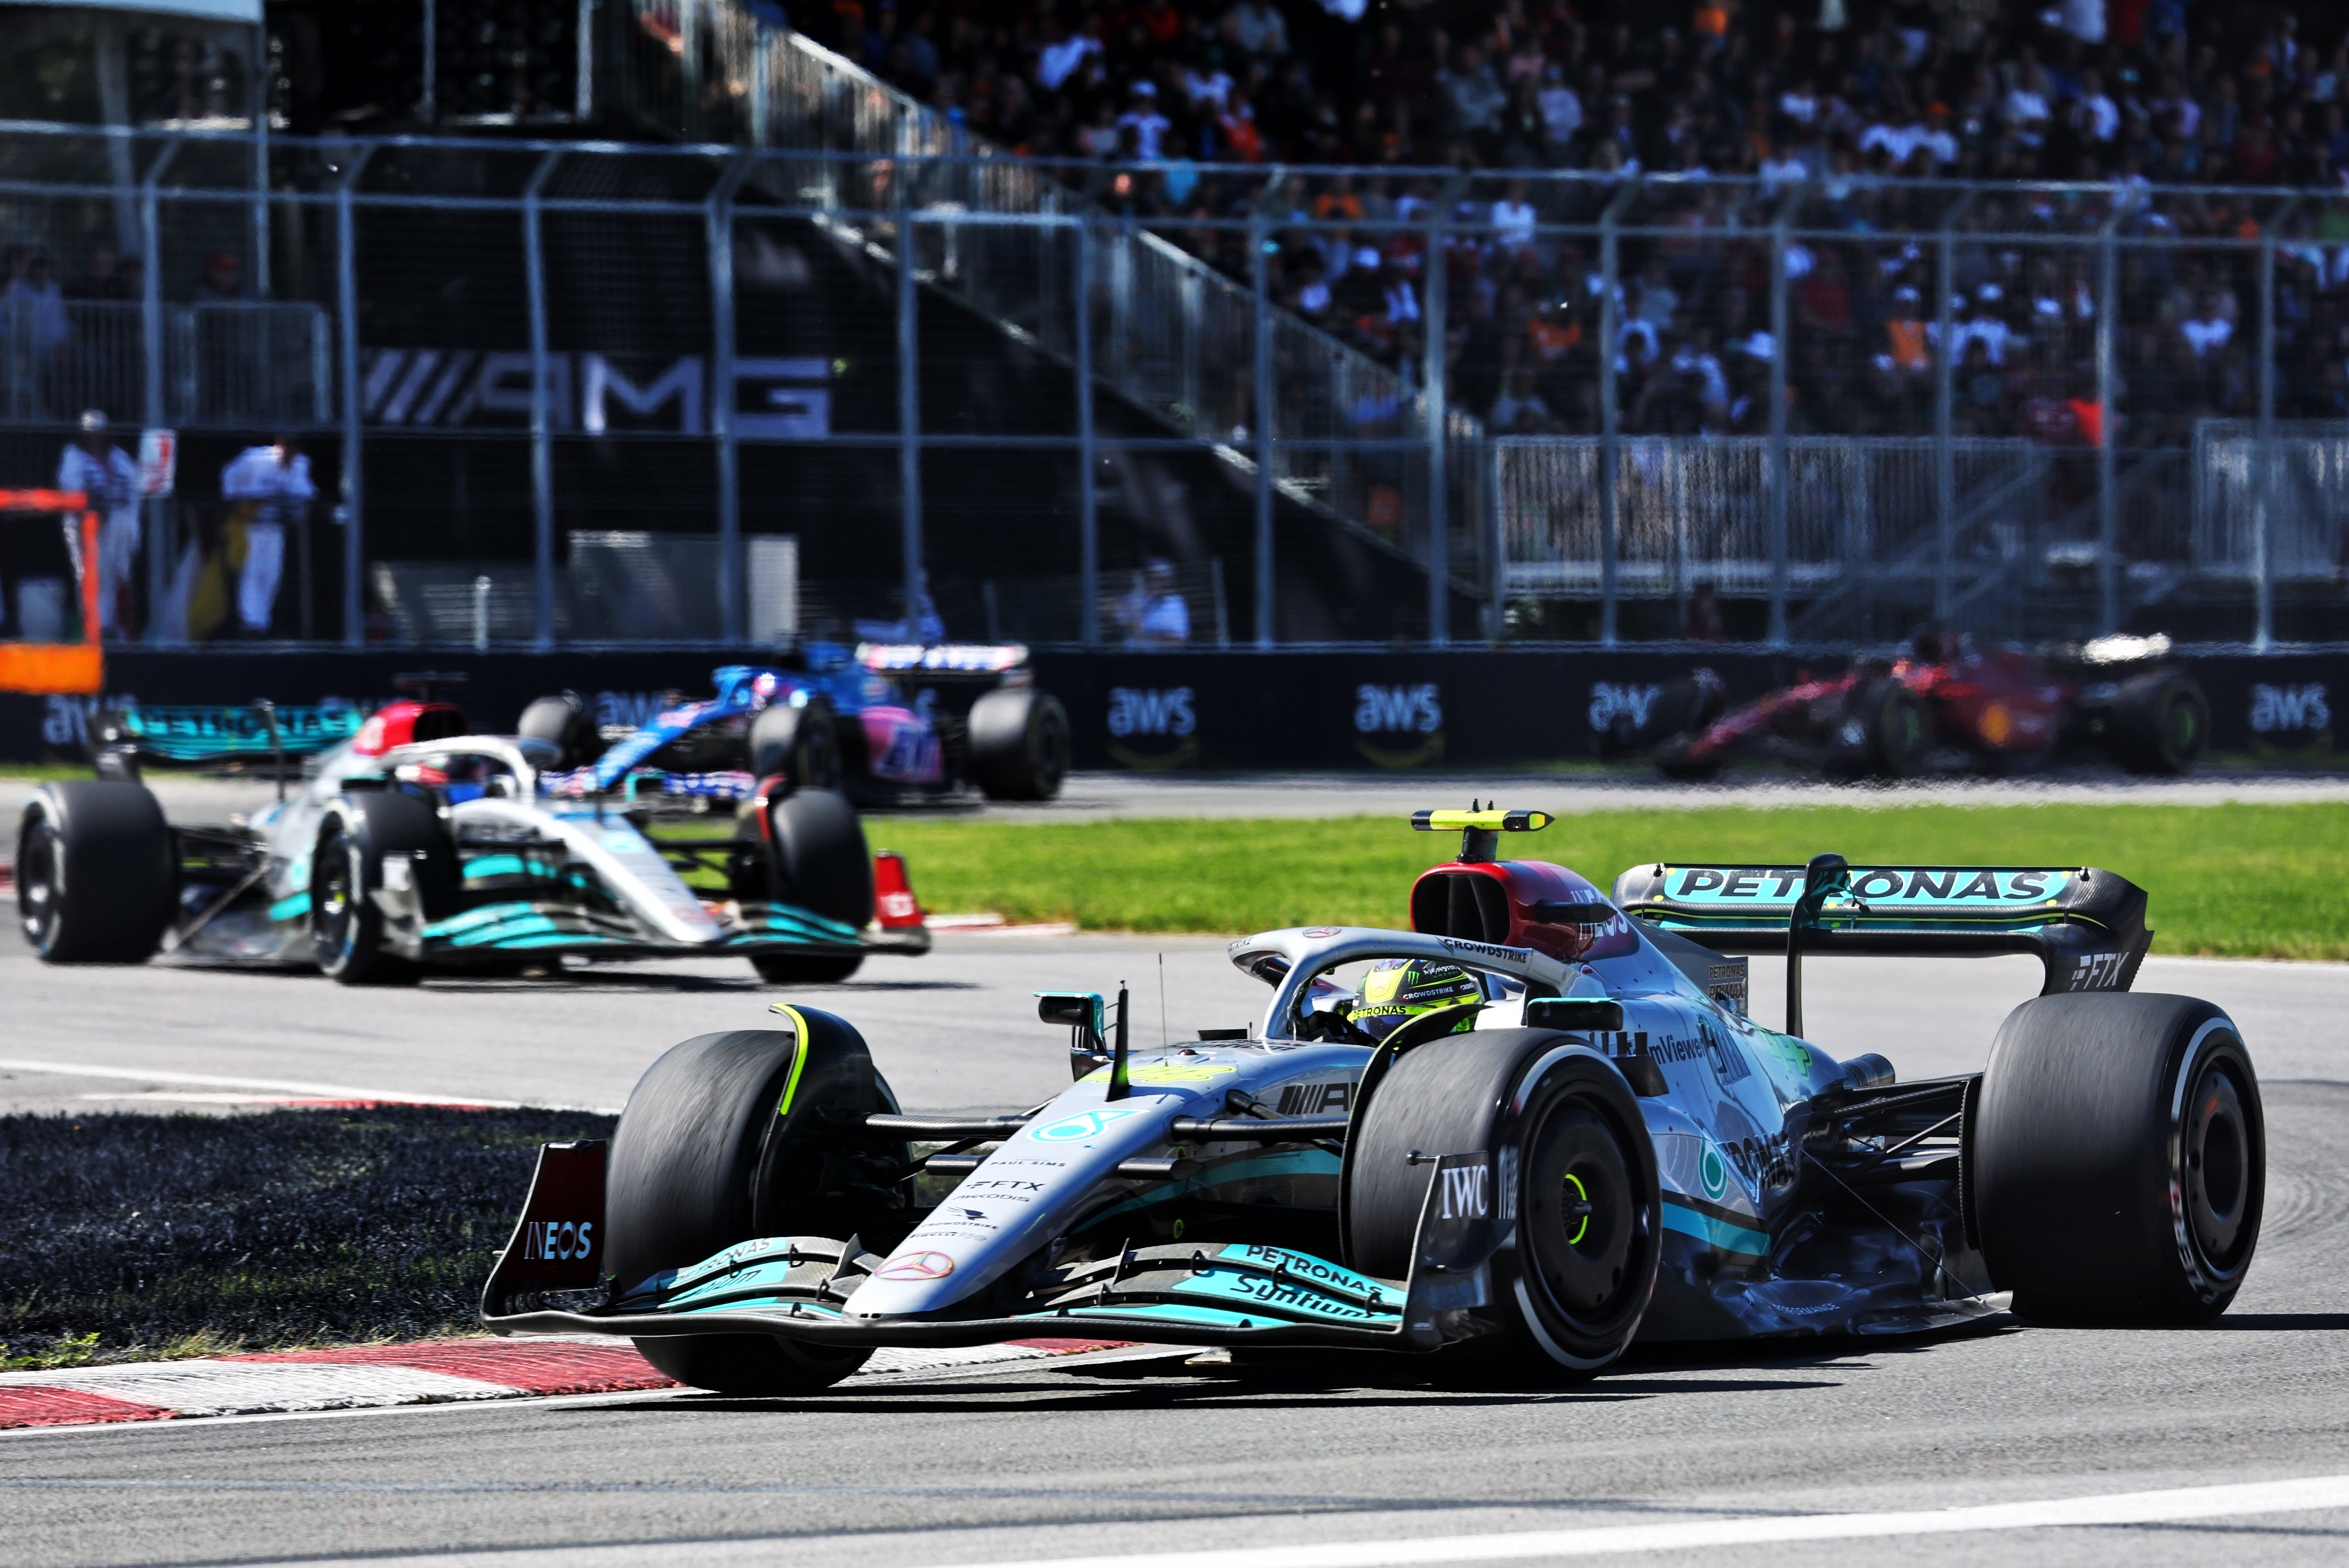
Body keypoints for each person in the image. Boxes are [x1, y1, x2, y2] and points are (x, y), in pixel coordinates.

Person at [56, 411, 142, 635]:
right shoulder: (73, 456)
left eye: (99, 434)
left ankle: (117, 628)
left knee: (118, 575)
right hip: (87, 525)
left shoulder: (119, 457)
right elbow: (70, 489)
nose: (95, 439)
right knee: (92, 575)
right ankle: (96, 627)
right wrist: (92, 506)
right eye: (90, 434)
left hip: (119, 524)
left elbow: (136, 487)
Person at [220, 435, 314, 637]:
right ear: (280, 444)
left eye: (295, 447)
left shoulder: (301, 464)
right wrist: (240, 501)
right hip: (250, 527)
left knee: (272, 574)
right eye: (288, 446)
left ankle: (263, 622)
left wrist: (292, 506)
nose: (291, 451)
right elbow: (229, 477)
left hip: (275, 527)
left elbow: (306, 494)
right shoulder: (255, 458)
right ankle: (250, 622)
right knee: (252, 572)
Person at [1114, 557, 1190, 646]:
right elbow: (1116, 621)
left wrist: (1143, 639)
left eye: (1160, 579)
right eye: (1151, 578)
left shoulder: (1174, 604)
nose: (1155, 583)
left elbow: (1178, 640)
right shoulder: (1134, 599)